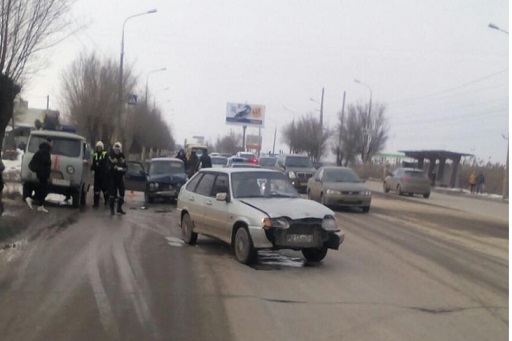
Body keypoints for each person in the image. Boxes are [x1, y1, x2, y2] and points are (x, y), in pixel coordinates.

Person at [26, 139, 52, 213]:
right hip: (43, 174)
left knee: (41, 189)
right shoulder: (45, 153)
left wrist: (38, 170)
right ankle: (34, 201)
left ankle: (39, 204)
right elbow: (45, 163)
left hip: (40, 174)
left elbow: (32, 164)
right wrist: (42, 170)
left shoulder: (38, 153)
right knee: (43, 189)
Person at [108, 142, 127, 215]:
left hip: (120, 177)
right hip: (113, 177)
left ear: (120, 150)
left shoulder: (122, 158)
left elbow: (125, 166)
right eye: (116, 150)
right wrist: (113, 167)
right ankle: (112, 210)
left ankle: (119, 208)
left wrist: (124, 170)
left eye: (118, 150)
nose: (117, 151)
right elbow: (108, 166)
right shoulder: (111, 157)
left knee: (122, 193)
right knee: (112, 194)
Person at [91, 141, 109, 208]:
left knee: (105, 189)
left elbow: (105, 163)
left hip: (104, 174)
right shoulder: (95, 154)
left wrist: (99, 164)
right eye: (97, 147)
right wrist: (92, 168)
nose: (98, 148)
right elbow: (94, 163)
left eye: (100, 147)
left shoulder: (105, 154)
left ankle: (107, 201)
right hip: (97, 174)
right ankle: (96, 203)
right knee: (96, 190)